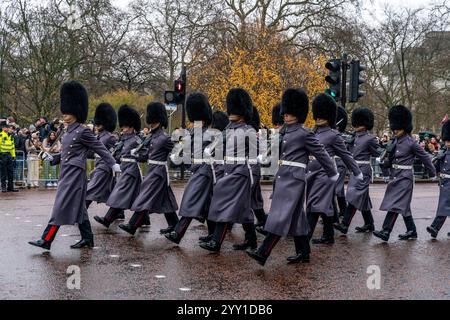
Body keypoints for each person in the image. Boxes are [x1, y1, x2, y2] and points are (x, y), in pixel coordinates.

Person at [246, 89, 337, 266]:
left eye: (289, 112)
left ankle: (263, 252)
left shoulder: (305, 133)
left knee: (280, 215)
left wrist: (333, 173)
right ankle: (303, 252)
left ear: (297, 113)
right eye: (285, 112)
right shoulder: (284, 133)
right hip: (283, 176)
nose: (285, 115)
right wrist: (263, 157)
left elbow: (322, 154)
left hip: (294, 179)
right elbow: (275, 151)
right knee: (296, 217)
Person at [28, 80, 120, 250]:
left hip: (75, 176)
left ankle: (46, 239)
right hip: (66, 173)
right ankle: (88, 239)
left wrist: (113, 164)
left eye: (68, 111)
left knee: (60, 206)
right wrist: (51, 158)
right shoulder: (67, 130)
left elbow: (100, 149)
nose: (65, 114)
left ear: (76, 111)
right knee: (80, 209)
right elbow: (65, 154)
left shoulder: (83, 131)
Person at [199, 88, 257, 253]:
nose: (231, 113)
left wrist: (252, 175)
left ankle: (216, 242)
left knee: (224, 204)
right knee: (244, 209)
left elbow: (256, 153)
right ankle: (251, 240)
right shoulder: (229, 129)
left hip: (241, 172)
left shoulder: (248, 131)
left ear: (243, 113)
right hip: (229, 170)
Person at [373, 105, 436, 242]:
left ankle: (386, 231)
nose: (394, 130)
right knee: (403, 206)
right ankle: (412, 231)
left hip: (405, 178)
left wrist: (432, 174)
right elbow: (390, 159)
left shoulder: (411, 143)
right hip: (395, 176)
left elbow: (425, 157)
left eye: (397, 128)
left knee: (395, 204)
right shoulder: (394, 141)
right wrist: (383, 165)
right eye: (394, 127)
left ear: (404, 126)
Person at [306, 94, 362, 245]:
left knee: (314, 206)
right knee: (327, 205)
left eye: (321, 116)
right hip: (312, 174)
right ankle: (329, 236)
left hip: (325, 175)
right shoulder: (313, 132)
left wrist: (357, 172)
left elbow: (346, 155)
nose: (318, 119)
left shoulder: (333, 135)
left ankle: (304, 243)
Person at [118, 102, 179, 236]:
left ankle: (132, 225)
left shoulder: (164, 137)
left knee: (145, 197)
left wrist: (176, 158)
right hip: (153, 171)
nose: (151, 124)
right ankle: (174, 224)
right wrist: (136, 155)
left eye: (153, 121)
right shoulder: (152, 136)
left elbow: (177, 152)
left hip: (158, 173)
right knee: (165, 199)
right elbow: (147, 156)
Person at [165, 93, 214, 245]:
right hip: (196, 169)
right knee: (207, 205)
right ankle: (213, 234)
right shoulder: (193, 132)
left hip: (205, 171)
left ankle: (178, 233)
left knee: (190, 200)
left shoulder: (209, 134)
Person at [94, 105, 145, 229]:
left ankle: (108, 219)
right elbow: (117, 154)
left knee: (120, 194)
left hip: (132, 170)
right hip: (123, 168)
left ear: (132, 127)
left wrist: (137, 154)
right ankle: (145, 219)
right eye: (122, 126)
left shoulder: (137, 139)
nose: (124, 129)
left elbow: (144, 154)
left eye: (126, 126)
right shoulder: (122, 139)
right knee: (137, 196)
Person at [334, 107, 382, 235]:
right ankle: (369, 223)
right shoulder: (353, 137)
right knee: (362, 197)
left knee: (354, 196)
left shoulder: (370, 138)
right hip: (355, 170)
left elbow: (378, 153)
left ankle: (345, 224)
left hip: (364, 170)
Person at [85, 103, 118, 212]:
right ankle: (119, 213)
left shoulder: (110, 137)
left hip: (104, 168)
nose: (97, 125)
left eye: (99, 123)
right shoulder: (98, 136)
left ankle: (81, 212)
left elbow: (116, 153)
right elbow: (92, 152)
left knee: (90, 190)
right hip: (98, 166)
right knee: (113, 192)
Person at [426, 121, 450, 238]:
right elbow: (438, 168)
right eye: (446, 141)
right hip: (445, 183)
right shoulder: (443, 153)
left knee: (444, 206)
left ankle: (435, 228)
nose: (447, 143)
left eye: (449, 141)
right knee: (445, 206)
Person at [334, 106, 350, 219]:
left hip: (340, 164)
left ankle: (332, 215)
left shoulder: (342, 136)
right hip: (332, 163)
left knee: (335, 189)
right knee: (337, 190)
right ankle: (343, 211)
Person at [1, 121, 18, 193]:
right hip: (2, 155)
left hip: (9, 156)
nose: (7, 128)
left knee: (10, 172)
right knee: (3, 172)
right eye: (5, 127)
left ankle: (10, 187)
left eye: (7, 127)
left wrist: (13, 156)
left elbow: (12, 147)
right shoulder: (1, 135)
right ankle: (3, 187)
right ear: (2, 128)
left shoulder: (10, 136)